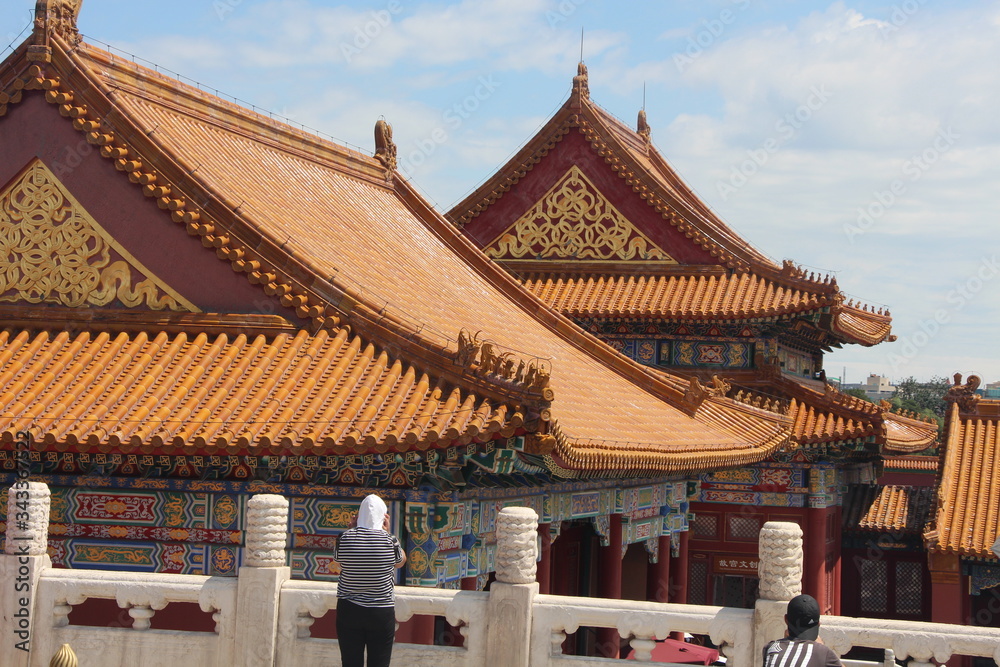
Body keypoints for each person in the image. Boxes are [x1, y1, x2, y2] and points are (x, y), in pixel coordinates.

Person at [333, 494, 407, 667]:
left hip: (349, 609)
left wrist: (352, 529)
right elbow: (401, 562)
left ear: (359, 516)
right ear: (383, 517)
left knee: (350, 662)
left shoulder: (344, 538)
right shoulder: (390, 541)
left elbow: (338, 562)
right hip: (381, 612)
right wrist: (388, 533)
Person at [762, 594, 843, 667]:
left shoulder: (771, 648)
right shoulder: (823, 653)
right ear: (818, 623)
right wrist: (821, 645)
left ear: (786, 619)